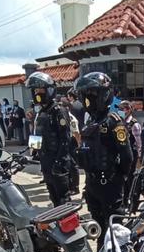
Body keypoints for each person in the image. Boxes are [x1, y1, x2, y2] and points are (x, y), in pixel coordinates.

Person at [73, 72, 133, 241]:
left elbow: (127, 157)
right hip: (92, 184)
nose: (87, 100)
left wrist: (118, 178)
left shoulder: (113, 122)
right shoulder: (90, 122)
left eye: (91, 95)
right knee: (99, 230)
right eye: (85, 95)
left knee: (115, 232)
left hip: (110, 186)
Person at [26, 72, 75, 206]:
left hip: (58, 160)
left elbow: (65, 139)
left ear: (49, 90)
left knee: (63, 198)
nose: (37, 93)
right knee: (53, 195)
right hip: (46, 159)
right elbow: (37, 132)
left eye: (40, 90)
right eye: (35, 90)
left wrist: (59, 162)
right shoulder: (41, 112)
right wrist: (34, 151)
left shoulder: (58, 111)